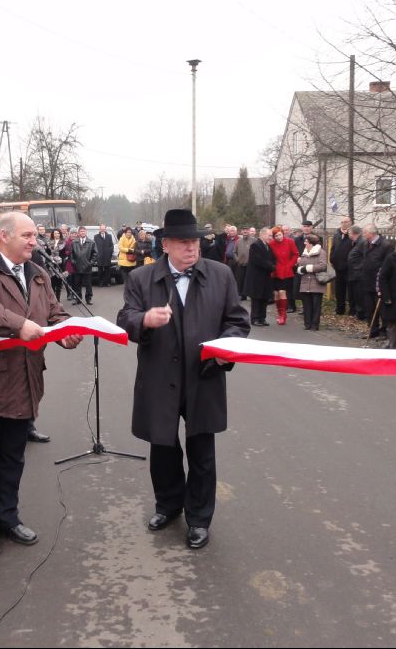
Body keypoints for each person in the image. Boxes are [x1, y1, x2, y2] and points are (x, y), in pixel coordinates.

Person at [117, 208, 250, 550]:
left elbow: (237, 321)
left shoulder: (221, 275)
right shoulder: (142, 278)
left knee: (202, 450)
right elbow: (125, 318)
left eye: (195, 242)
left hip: (203, 375)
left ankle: (199, 519)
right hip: (159, 376)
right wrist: (144, 320)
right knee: (163, 447)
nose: (192, 248)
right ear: (165, 245)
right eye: (183, 242)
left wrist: (226, 349)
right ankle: (168, 505)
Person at [0, 212, 83, 556]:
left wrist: (66, 332)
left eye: (34, 236)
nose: (34, 241)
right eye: (27, 235)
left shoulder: (37, 273)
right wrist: (18, 325)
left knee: (13, 457)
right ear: (3, 236)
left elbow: (54, 313)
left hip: (25, 380)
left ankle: (8, 517)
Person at [361, 225, 394, 338]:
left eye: (365, 232)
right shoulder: (366, 244)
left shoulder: (385, 245)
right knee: (369, 307)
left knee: (382, 308)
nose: (363, 234)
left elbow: (388, 264)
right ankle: (373, 330)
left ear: (371, 233)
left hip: (379, 282)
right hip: (367, 280)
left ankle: (384, 331)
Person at [296, 234, 328, 330]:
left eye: (306, 241)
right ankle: (307, 324)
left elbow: (323, 266)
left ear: (311, 243)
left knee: (316, 306)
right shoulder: (304, 252)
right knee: (306, 305)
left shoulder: (321, 252)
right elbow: (300, 267)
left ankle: (315, 325)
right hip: (305, 283)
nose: (304, 243)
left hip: (316, 283)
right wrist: (300, 268)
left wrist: (307, 268)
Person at [243, 227, 275, 326]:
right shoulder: (255, 245)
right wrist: (271, 266)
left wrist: (273, 265)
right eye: (269, 235)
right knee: (256, 299)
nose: (271, 238)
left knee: (264, 298)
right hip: (256, 277)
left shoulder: (268, 246)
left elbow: (272, 258)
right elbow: (258, 260)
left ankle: (262, 318)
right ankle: (255, 318)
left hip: (265, 277)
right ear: (263, 235)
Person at [268, 226, 299, 325]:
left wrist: (289, 265)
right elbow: (269, 256)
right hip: (275, 271)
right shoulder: (271, 244)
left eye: (280, 235)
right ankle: (279, 313)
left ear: (283, 234)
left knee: (282, 292)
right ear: (273, 237)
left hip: (286, 271)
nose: (279, 237)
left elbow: (295, 254)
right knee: (276, 294)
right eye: (276, 236)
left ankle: (283, 314)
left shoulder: (290, 242)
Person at [330, 217, 353, 315]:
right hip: (338, 266)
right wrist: (332, 259)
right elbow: (333, 248)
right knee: (339, 289)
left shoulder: (352, 234)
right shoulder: (337, 234)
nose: (344, 224)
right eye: (342, 222)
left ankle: (352, 310)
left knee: (351, 289)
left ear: (350, 223)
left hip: (349, 267)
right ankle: (340, 309)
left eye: (346, 222)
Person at [69, 225, 95, 305]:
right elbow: (71, 254)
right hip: (77, 266)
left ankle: (88, 299)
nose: (82, 232)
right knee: (77, 284)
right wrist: (73, 262)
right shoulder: (74, 242)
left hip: (87, 267)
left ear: (86, 232)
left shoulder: (91, 242)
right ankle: (78, 299)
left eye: (84, 231)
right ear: (78, 233)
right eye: (81, 231)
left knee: (88, 284)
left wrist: (90, 263)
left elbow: (95, 254)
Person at [346, 225, 366, 318]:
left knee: (359, 295)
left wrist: (359, 268)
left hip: (359, 274)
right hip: (354, 273)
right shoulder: (356, 242)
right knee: (354, 294)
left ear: (354, 233)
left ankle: (361, 314)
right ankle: (356, 311)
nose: (348, 234)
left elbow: (366, 257)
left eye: (349, 233)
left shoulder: (362, 242)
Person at [45, 228, 67, 302]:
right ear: (53, 234)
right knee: (52, 284)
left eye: (58, 233)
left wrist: (59, 259)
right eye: (55, 233)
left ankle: (58, 300)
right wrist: (50, 259)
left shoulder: (63, 242)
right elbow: (47, 253)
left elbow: (65, 254)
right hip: (51, 265)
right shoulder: (49, 242)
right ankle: (53, 301)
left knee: (59, 284)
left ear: (60, 234)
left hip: (60, 265)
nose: (56, 235)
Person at [234, 226, 255, 299]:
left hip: (250, 265)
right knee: (240, 280)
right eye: (243, 230)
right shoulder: (238, 241)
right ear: (241, 231)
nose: (245, 231)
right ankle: (242, 295)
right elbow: (234, 252)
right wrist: (237, 259)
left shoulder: (254, 240)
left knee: (250, 281)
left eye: (246, 230)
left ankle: (251, 295)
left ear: (249, 231)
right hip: (241, 264)